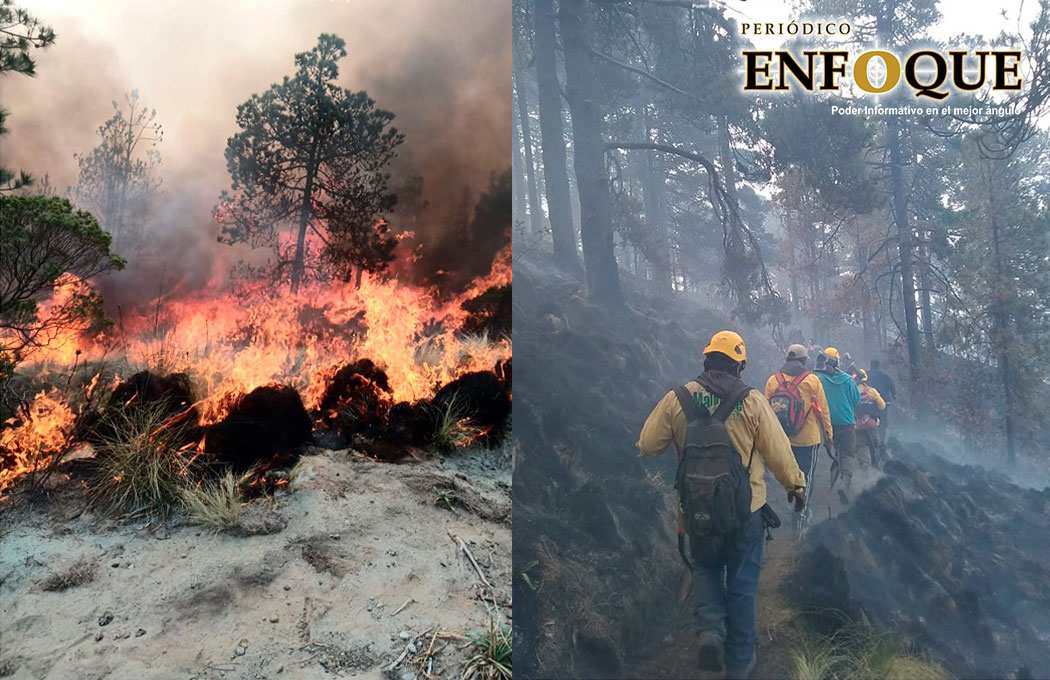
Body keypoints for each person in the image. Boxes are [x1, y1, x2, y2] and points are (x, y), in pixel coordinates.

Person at [638, 330, 807, 679]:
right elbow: (777, 452)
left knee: (707, 570)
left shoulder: (678, 399)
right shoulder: (752, 401)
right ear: (739, 365)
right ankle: (741, 659)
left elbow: (647, 445)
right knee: (743, 583)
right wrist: (796, 485)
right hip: (747, 511)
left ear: (707, 359)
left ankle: (710, 632)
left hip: (698, 511)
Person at [764, 344, 835, 497]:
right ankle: (800, 515)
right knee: (806, 479)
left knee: (785, 476)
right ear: (803, 360)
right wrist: (828, 437)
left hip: (781, 440)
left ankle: (786, 503)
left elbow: (766, 413)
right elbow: (823, 412)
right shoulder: (812, 380)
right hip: (807, 441)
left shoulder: (773, 380)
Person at [815, 347, 861, 504]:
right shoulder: (848, 380)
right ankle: (844, 482)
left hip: (828, 425)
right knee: (848, 454)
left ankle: (831, 486)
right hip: (847, 424)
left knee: (836, 454)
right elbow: (856, 400)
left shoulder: (818, 379)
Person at [852, 369, 887, 468]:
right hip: (872, 424)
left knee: (860, 445)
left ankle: (864, 463)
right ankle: (877, 464)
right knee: (876, 443)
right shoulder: (872, 391)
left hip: (857, 425)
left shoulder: (851, 392)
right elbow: (882, 406)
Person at [865, 359, 897, 444]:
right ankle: (881, 440)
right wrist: (894, 395)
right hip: (884, 401)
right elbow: (891, 386)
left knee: (870, 419)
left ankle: (871, 439)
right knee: (883, 421)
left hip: (870, 401)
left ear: (871, 365)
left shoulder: (867, 375)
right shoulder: (885, 375)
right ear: (879, 366)